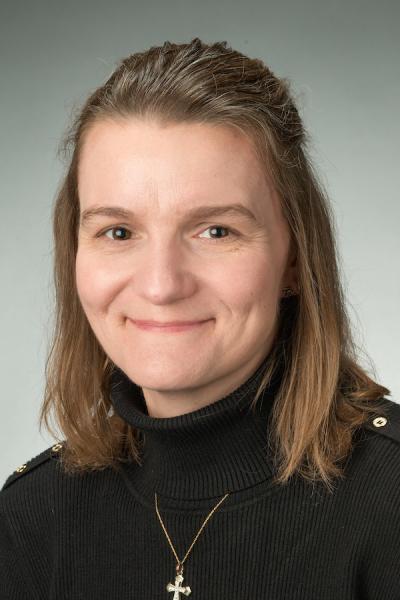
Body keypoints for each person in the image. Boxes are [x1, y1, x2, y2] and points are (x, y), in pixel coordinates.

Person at [1, 37, 399, 599]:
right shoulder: (29, 517)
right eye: (119, 231)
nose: (161, 285)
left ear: (294, 258)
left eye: (216, 231)